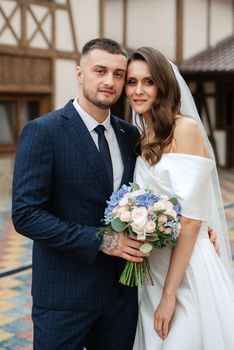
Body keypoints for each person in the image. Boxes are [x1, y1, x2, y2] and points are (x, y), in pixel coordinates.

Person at [11, 38, 150, 350]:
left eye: (118, 74)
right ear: (79, 73)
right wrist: (102, 240)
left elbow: (153, 192)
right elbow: (25, 215)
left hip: (121, 297)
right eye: (100, 70)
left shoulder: (131, 135)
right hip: (64, 297)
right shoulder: (43, 131)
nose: (109, 81)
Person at [125, 47, 234, 349]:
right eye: (132, 82)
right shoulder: (144, 135)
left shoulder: (183, 128)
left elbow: (191, 221)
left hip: (185, 270)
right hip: (154, 268)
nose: (138, 90)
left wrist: (169, 294)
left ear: (164, 84)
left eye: (148, 81)